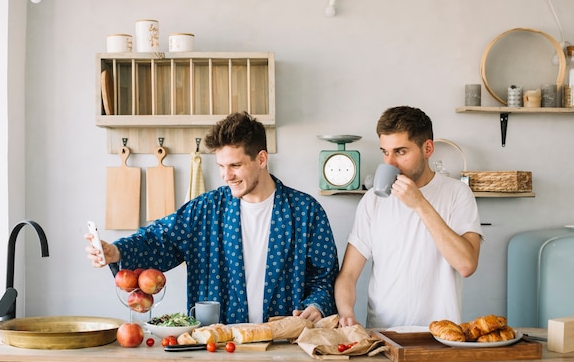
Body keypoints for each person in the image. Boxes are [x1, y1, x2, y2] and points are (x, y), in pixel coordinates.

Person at [86, 111, 339, 324]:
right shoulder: (205, 210)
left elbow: (323, 277)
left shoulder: (306, 212)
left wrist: (315, 306)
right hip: (216, 345)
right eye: (220, 166)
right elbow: (159, 240)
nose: (225, 176)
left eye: (235, 166)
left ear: (261, 159)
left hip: (286, 347)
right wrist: (117, 251)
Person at [334, 106, 483, 328]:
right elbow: (347, 275)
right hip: (384, 338)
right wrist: (346, 313)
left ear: (428, 148)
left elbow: (467, 265)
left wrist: (420, 203)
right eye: (385, 152)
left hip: (441, 337)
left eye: (400, 152)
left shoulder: (457, 193)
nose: (390, 163)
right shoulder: (373, 201)